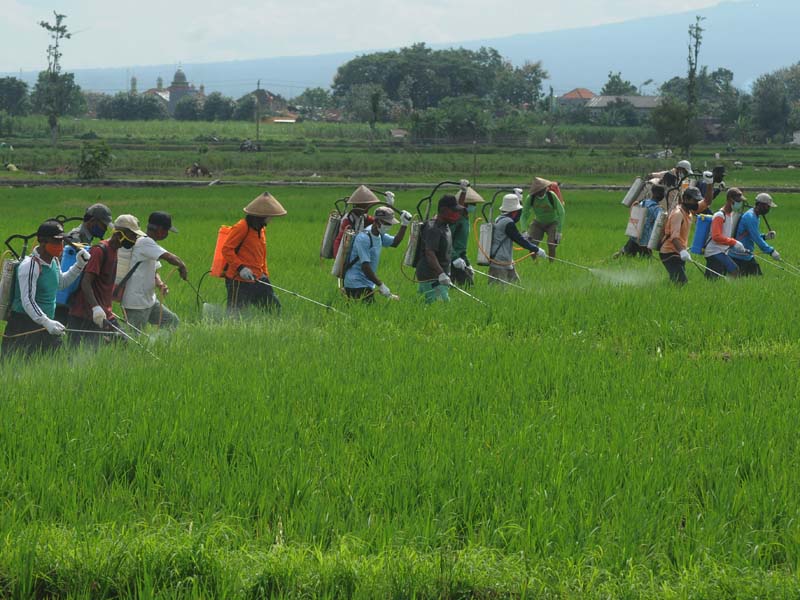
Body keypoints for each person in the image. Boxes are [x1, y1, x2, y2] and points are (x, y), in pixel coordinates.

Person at [1, 221, 90, 358]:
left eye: (61, 241)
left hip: (46, 324)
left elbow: (60, 283)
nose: (60, 245)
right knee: (17, 366)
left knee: (60, 365)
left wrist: (79, 265)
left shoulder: (54, 261)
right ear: (42, 241)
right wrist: (46, 322)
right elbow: (27, 300)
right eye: (56, 241)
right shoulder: (30, 266)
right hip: (23, 326)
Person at [67, 215, 142, 346]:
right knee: (80, 353)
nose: (135, 240)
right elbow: (86, 282)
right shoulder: (99, 250)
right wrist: (96, 308)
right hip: (85, 315)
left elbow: (104, 283)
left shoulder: (114, 250)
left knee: (122, 344)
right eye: (132, 236)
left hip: (104, 313)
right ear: (119, 234)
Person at [120, 211, 188, 332]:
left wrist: (160, 284)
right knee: (133, 337)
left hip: (150, 301)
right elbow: (168, 257)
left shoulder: (149, 245)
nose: (167, 234)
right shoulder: (144, 242)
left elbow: (154, 270)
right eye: (167, 231)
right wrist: (182, 265)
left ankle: (157, 343)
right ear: (160, 230)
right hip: (136, 303)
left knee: (171, 321)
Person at [222, 192, 287, 314]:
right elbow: (227, 249)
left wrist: (265, 274)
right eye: (270, 216)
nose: (271, 219)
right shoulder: (242, 227)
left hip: (258, 279)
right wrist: (241, 268)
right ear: (261, 216)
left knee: (274, 310)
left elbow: (261, 254)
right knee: (235, 316)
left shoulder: (261, 230)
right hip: (238, 281)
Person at [55, 202, 113, 323]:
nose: (105, 229)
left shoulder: (86, 239)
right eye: (103, 225)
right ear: (92, 221)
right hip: (62, 293)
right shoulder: (75, 239)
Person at [342, 206, 412, 303]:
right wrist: (381, 285)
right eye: (386, 223)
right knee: (367, 311)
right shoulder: (364, 238)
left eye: (390, 224)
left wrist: (404, 224)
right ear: (376, 221)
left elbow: (395, 243)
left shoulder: (379, 234)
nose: (389, 226)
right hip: (356, 283)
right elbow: (365, 266)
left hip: (366, 283)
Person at [489, 191, 546, 284]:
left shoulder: (499, 218)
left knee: (516, 286)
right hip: (499, 262)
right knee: (499, 289)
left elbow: (515, 236)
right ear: (514, 212)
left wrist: (526, 239)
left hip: (506, 261)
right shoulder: (508, 222)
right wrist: (536, 249)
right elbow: (519, 240)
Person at [415, 195, 462, 303]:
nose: (456, 214)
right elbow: (430, 253)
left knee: (426, 304)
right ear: (444, 210)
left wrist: (456, 259)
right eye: (453, 211)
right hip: (431, 275)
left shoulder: (446, 226)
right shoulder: (433, 229)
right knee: (441, 304)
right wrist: (441, 273)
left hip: (438, 275)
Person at [729, 193, 781, 276]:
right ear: (760, 205)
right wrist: (771, 251)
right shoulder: (750, 217)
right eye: (767, 206)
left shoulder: (755, 216)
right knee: (743, 279)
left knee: (756, 279)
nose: (768, 209)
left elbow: (752, 235)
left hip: (746, 255)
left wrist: (765, 236)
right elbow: (756, 238)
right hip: (739, 255)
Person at [659, 186, 703, 285]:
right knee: (682, 282)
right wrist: (683, 251)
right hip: (669, 253)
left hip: (678, 252)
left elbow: (707, 202)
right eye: (694, 200)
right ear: (686, 199)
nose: (696, 203)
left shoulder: (688, 213)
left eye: (697, 201)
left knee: (676, 282)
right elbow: (674, 237)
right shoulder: (678, 214)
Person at [702, 188, 748, 279]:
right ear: (730, 199)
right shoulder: (719, 215)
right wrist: (734, 242)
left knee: (717, 278)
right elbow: (716, 236)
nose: (740, 204)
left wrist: (735, 245)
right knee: (733, 271)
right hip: (714, 252)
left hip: (721, 251)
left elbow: (725, 236)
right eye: (738, 201)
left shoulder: (730, 215)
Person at [449, 180, 484, 287]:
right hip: (451, 260)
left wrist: (467, 263)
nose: (474, 206)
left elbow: (461, 247)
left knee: (468, 286)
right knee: (462, 287)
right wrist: (454, 258)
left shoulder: (465, 219)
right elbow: (446, 240)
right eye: (472, 204)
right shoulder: (456, 219)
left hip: (460, 259)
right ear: (465, 205)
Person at [615, 184, 665, 258]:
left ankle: (611, 260)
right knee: (646, 259)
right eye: (662, 193)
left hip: (635, 236)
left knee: (625, 254)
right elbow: (661, 224)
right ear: (656, 193)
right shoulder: (657, 209)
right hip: (645, 240)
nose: (663, 195)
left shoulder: (643, 202)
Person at [332, 185, 381, 257]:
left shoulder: (363, 216)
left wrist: (388, 205)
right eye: (366, 205)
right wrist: (338, 258)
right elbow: (339, 240)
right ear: (359, 205)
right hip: (347, 254)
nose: (368, 208)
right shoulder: (348, 220)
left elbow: (378, 223)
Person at [525, 177, 565, 262]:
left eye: (543, 190)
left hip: (552, 223)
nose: (541, 192)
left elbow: (561, 212)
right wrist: (524, 231)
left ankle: (551, 264)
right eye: (538, 191)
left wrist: (559, 231)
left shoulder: (551, 196)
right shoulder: (531, 198)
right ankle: (535, 264)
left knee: (551, 244)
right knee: (531, 245)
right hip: (538, 223)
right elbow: (524, 214)